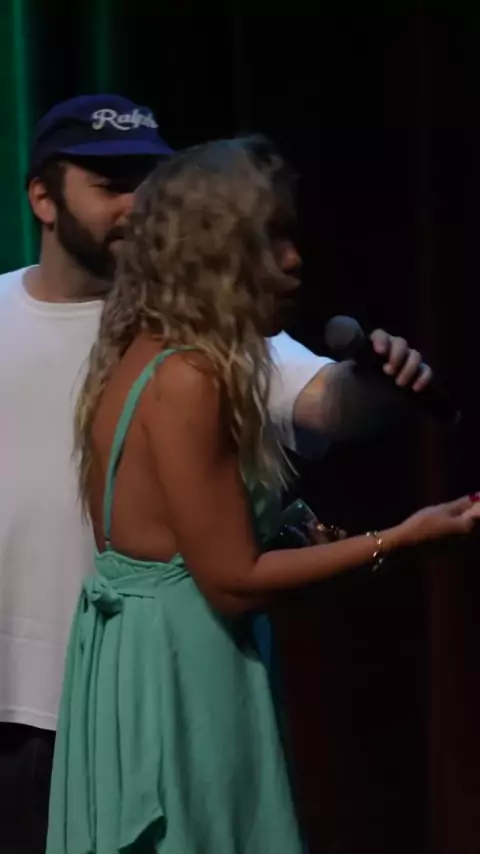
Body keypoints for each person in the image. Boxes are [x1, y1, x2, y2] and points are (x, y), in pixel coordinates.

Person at [0, 94, 435, 853]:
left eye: (148, 181)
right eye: (110, 184)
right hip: (40, 693)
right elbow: (235, 574)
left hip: (138, 690)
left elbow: (326, 402)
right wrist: (393, 542)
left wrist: (380, 380)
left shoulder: (196, 339)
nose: (136, 202)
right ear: (43, 197)